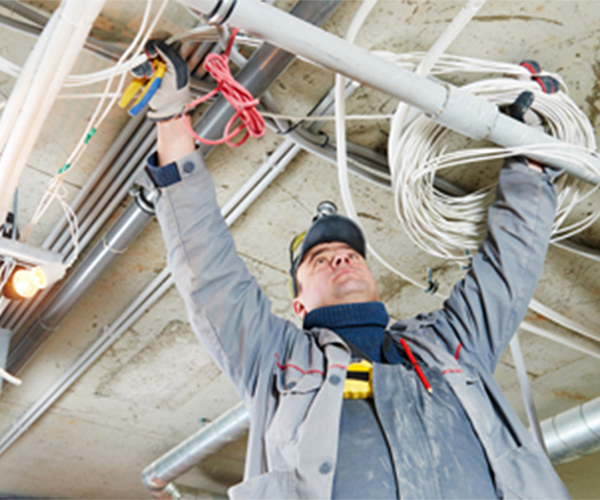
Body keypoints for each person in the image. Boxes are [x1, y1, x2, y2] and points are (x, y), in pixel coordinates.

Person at [143, 42, 571, 499]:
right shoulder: (278, 360)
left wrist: (530, 155)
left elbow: (507, 271)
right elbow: (210, 275)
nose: (340, 257)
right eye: (319, 259)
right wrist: (170, 120)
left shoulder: (449, 345)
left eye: (350, 254)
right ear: (298, 305)